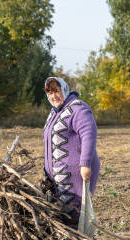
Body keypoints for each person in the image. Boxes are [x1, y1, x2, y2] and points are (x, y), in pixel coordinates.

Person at [42, 76, 100, 226]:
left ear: (64, 89)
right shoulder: (55, 112)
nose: (53, 96)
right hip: (57, 179)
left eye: (57, 91)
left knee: (76, 215)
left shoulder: (78, 109)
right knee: (61, 216)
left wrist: (85, 164)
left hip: (74, 177)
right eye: (50, 93)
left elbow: (89, 134)